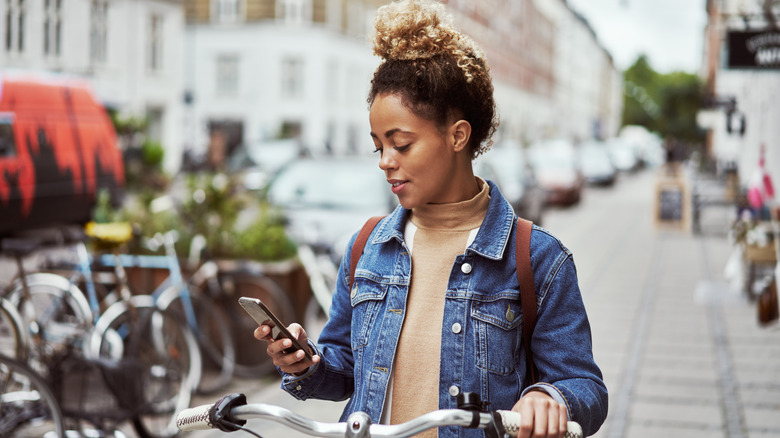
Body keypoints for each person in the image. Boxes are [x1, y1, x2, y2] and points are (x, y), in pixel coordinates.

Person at [254, 1, 608, 437]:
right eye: (378, 145)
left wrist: (550, 397)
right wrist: (307, 363)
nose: (385, 161)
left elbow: (586, 388)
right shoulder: (368, 246)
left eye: (401, 144)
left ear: (458, 135)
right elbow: (345, 371)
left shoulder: (536, 258)